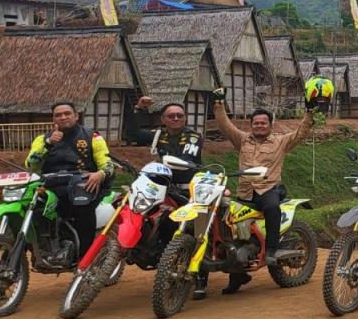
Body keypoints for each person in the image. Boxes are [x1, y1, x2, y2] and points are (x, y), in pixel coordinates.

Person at [212, 89, 314, 294]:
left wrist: (310, 112)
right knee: (233, 228)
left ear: (270, 124)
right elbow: (225, 125)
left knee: (272, 208)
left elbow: (301, 132)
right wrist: (218, 103)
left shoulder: (281, 141)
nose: (259, 126)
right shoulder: (242, 140)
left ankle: (272, 250)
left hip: (269, 188)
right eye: (256, 123)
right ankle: (238, 275)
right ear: (251, 125)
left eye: (263, 123)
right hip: (245, 191)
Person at [126, 95, 208, 298]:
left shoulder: (193, 137)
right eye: (170, 116)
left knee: (196, 230)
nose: (175, 118)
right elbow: (132, 133)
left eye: (179, 115)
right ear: (162, 119)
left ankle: (200, 278)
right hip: (163, 189)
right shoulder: (158, 135)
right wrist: (138, 110)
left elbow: (186, 160)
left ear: (185, 118)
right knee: (155, 222)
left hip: (188, 189)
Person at [25, 102, 115, 266]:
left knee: (83, 207)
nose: (63, 117)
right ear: (53, 119)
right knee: (27, 208)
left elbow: (108, 165)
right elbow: (31, 165)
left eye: (67, 113)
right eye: (58, 115)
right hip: (52, 185)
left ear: (76, 116)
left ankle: (85, 259)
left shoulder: (92, 137)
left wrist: (100, 174)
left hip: (84, 184)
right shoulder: (41, 139)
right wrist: (48, 144)